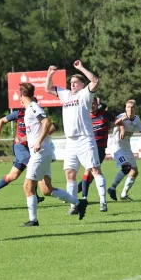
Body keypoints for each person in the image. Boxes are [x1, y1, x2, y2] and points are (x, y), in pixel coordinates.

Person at [18, 82, 88, 226]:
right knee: (46, 189)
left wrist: (38, 141)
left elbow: (46, 121)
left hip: (40, 153)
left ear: (21, 95)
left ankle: (33, 220)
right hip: (41, 153)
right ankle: (78, 203)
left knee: (27, 186)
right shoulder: (29, 109)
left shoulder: (33, 107)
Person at [45, 60, 108, 213]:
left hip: (85, 139)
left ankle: (103, 202)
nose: (72, 84)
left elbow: (95, 81)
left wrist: (81, 68)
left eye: (75, 82)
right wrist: (50, 74)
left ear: (81, 84)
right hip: (71, 141)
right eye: (71, 82)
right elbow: (48, 88)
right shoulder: (65, 94)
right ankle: (73, 205)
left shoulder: (85, 94)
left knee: (95, 170)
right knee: (70, 173)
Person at [0, 100, 55, 205]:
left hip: (30, 148)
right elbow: (1, 121)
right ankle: (35, 195)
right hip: (20, 147)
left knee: (13, 175)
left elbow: (51, 126)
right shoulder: (18, 113)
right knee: (33, 165)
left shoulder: (38, 114)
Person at [107, 100, 141, 201]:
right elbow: (108, 127)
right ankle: (112, 188)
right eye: (128, 107)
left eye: (132, 107)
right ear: (125, 108)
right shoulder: (120, 116)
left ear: (135, 109)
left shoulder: (136, 119)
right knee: (126, 167)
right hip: (116, 147)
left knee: (134, 171)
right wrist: (120, 123)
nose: (130, 109)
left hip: (126, 148)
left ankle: (124, 194)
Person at [77, 97, 114, 206]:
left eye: (93, 103)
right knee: (90, 172)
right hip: (88, 147)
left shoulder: (105, 114)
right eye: (90, 104)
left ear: (97, 104)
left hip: (100, 148)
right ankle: (85, 197)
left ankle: (77, 193)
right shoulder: (83, 115)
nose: (92, 106)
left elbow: (118, 120)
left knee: (91, 174)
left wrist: (120, 128)